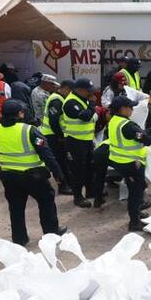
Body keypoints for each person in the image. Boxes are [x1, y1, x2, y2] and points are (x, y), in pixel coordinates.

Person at [0, 100, 68, 246]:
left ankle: (19, 239)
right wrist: (58, 174)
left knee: (16, 208)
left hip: (9, 177)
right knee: (46, 203)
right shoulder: (29, 130)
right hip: (34, 176)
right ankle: (51, 234)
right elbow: (46, 154)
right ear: (20, 114)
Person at [93, 96, 151, 230]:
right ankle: (134, 223)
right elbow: (146, 140)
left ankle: (136, 213)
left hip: (119, 160)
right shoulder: (128, 126)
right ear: (123, 109)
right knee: (136, 193)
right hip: (131, 164)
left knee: (139, 188)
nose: (132, 109)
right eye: (130, 107)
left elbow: (140, 134)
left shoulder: (114, 120)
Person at [60, 78, 99, 207]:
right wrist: (93, 105)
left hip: (86, 140)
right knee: (78, 170)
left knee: (90, 166)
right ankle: (78, 197)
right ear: (80, 90)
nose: (91, 94)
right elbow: (85, 116)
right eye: (89, 91)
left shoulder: (83, 99)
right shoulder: (71, 102)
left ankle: (91, 191)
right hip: (74, 141)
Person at [37, 75, 73, 195]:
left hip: (53, 134)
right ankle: (62, 185)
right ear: (65, 88)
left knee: (62, 161)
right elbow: (53, 121)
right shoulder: (57, 100)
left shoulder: (59, 98)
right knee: (58, 162)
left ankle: (67, 183)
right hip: (52, 135)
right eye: (70, 91)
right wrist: (60, 136)